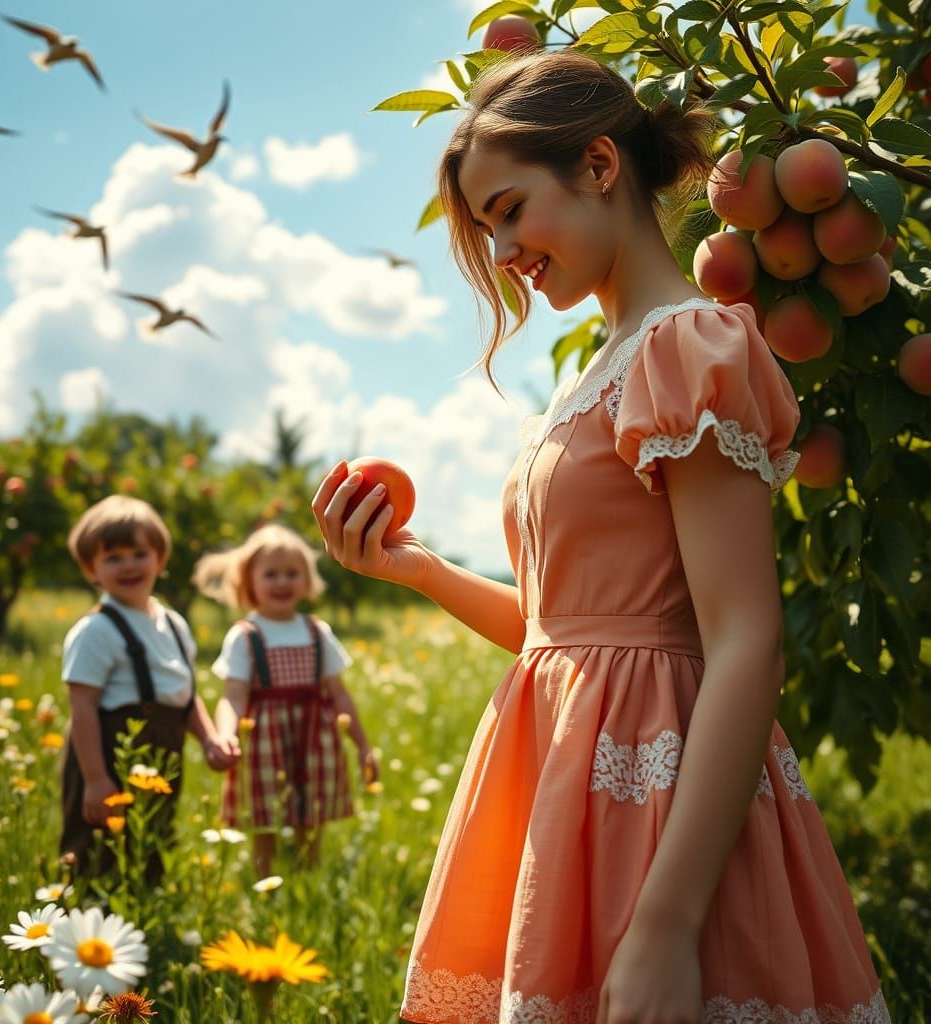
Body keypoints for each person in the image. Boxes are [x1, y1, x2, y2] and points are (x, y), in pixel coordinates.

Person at [312, 49, 888, 1024]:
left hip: (662, 815)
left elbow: (742, 637)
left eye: (505, 211)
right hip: (561, 795)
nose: (500, 255)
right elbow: (568, 641)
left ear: (597, 166)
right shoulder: (595, 375)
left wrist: (666, 919)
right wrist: (418, 571)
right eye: (483, 229)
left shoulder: (684, 346)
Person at [61, 494, 238, 877]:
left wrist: (208, 738)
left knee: (153, 835)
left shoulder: (173, 624)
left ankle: (144, 912)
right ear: (91, 570)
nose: (128, 565)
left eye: (138, 553)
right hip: (109, 750)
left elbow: (185, 695)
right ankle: (88, 920)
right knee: (98, 843)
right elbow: (83, 708)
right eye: (112, 558)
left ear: (160, 557)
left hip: (164, 747)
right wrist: (95, 779)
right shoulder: (95, 631)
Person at [193, 523, 377, 876]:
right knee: (265, 820)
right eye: (271, 574)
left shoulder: (317, 631)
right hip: (264, 739)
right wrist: (226, 734)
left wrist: (363, 745)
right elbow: (233, 696)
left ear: (307, 580)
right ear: (249, 582)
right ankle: (267, 884)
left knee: (312, 816)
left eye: (292, 573)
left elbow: (338, 694)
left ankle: (307, 880)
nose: (282, 582)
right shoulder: (245, 635)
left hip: (314, 738)